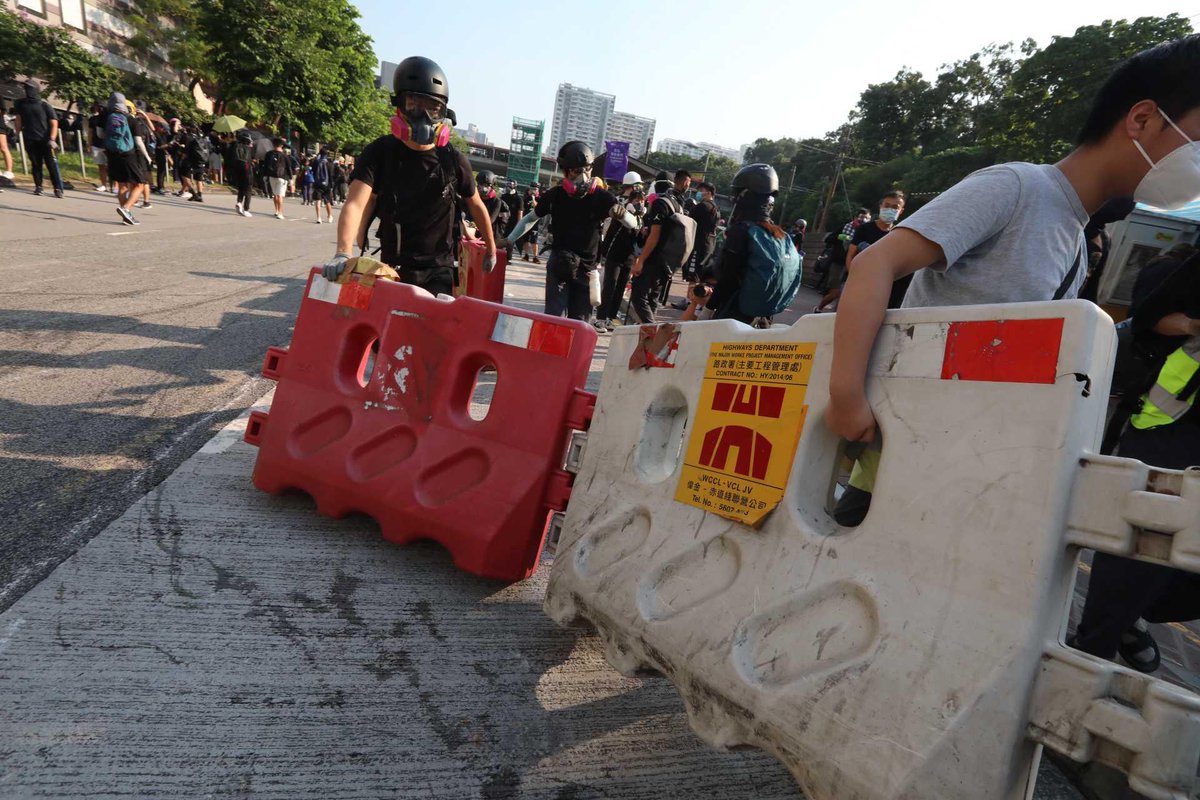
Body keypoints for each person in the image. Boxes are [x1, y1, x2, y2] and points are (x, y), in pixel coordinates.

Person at [825, 30, 1200, 524]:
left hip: (964, 469)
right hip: (898, 462)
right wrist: (846, 396)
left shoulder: (1076, 240)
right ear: (1143, 118)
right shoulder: (1017, 187)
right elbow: (875, 264)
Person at [1072, 248, 1200, 671]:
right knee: (1141, 535)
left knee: (1168, 558)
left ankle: (1128, 613)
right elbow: (1149, 314)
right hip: (1170, 422)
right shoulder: (1178, 269)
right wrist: (1192, 325)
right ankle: (1093, 648)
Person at [322, 55, 496, 297]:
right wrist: (343, 251)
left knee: (434, 320)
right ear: (399, 106)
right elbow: (356, 203)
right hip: (392, 267)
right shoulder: (380, 152)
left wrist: (491, 249)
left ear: (443, 114)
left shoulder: (453, 160)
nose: (422, 115)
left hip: (439, 269)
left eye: (433, 108)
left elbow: (476, 205)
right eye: (413, 104)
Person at [502, 140, 638, 321]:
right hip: (560, 265)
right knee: (553, 319)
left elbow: (633, 224)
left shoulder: (602, 197)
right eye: (576, 171)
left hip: (587, 270)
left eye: (587, 169)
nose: (583, 176)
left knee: (580, 323)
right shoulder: (555, 195)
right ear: (565, 172)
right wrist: (509, 239)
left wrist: (623, 215)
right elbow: (530, 218)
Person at [700, 163, 801, 326]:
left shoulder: (742, 231)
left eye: (736, 193)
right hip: (764, 318)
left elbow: (728, 279)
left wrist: (707, 310)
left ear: (744, 196)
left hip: (735, 315)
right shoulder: (781, 235)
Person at [628, 172, 693, 323]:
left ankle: (651, 330)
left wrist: (640, 261)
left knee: (638, 296)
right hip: (668, 260)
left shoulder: (660, 203)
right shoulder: (678, 205)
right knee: (653, 298)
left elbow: (655, 235)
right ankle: (649, 332)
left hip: (654, 258)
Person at [597, 175, 645, 329]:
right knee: (610, 285)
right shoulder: (618, 203)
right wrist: (626, 212)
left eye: (641, 201)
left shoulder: (641, 215)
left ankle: (611, 317)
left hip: (628, 256)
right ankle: (600, 318)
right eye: (637, 200)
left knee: (620, 288)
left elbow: (639, 240)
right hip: (615, 253)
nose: (639, 203)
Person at [675, 181, 720, 309]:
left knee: (693, 273)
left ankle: (689, 301)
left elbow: (689, 220)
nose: (698, 193)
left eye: (701, 191)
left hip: (698, 243)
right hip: (709, 244)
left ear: (709, 193)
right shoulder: (715, 208)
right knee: (700, 274)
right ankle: (697, 302)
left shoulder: (703, 206)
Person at [13, 83, 63, 198]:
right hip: (30, 139)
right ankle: (38, 186)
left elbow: (54, 123)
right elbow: (18, 120)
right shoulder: (21, 104)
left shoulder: (44, 105)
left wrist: (52, 139)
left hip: (46, 141)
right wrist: (17, 133)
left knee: (51, 165)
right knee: (36, 164)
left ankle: (57, 188)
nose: (27, 91)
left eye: (29, 88)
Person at [262, 138, 293, 220]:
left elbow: (265, 165)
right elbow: (289, 167)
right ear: (282, 146)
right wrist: (291, 178)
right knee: (280, 196)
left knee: (275, 194)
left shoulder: (268, 154)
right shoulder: (284, 155)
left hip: (271, 176)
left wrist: (265, 175)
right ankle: (280, 213)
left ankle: (276, 210)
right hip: (282, 177)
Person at [228, 130, 255, 217]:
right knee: (248, 190)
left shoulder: (235, 146)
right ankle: (246, 209)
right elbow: (250, 159)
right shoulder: (248, 148)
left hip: (237, 170)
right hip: (247, 170)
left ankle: (239, 202)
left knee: (241, 188)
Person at [87, 102, 111, 193]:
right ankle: (104, 185)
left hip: (108, 145)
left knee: (111, 166)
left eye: (101, 107)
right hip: (96, 145)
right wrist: (89, 144)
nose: (100, 109)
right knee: (101, 166)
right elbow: (90, 132)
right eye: (98, 106)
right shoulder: (93, 119)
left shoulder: (110, 118)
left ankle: (115, 185)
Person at [183, 126, 210, 202]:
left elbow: (185, 152)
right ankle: (199, 195)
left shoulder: (190, 139)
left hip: (191, 161)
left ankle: (194, 194)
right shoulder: (203, 140)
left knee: (185, 176)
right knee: (199, 178)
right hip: (201, 161)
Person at [520, 182, 541, 263]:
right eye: (532, 189)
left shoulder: (539, 198)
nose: (533, 190)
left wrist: (533, 198)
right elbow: (522, 209)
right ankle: (526, 255)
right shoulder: (526, 198)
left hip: (535, 222)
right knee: (525, 239)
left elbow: (538, 208)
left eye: (535, 189)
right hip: (526, 221)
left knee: (534, 240)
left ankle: (535, 257)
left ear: (538, 190)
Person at [312, 148, 334, 224]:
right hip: (327, 184)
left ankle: (318, 217)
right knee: (327, 201)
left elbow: (313, 172)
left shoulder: (316, 162)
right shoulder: (329, 164)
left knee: (318, 200)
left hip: (318, 184)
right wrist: (331, 186)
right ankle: (330, 216)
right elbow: (331, 176)